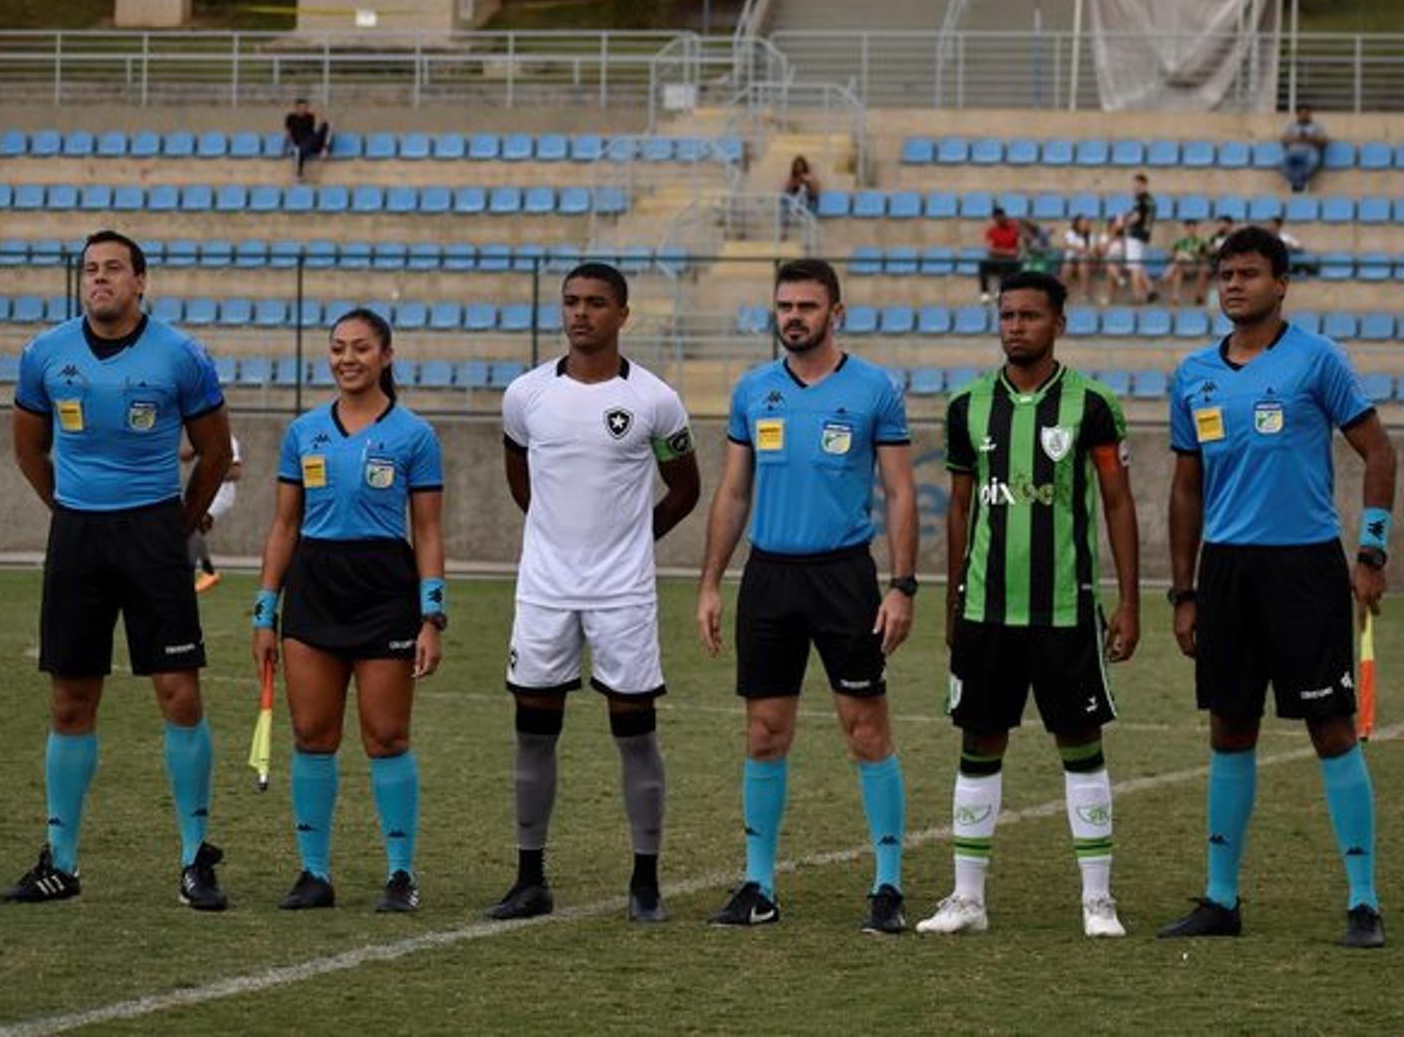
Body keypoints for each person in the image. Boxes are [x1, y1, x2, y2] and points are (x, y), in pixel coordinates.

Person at [1158, 224, 1397, 950]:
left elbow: (1378, 450)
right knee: (1230, 726)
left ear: (1281, 282)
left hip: (1304, 566)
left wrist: (1372, 550)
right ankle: (1221, 898)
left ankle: (1363, 901)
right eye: (1225, 273)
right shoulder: (1193, 373)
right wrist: (1184, 590)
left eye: (1250, 273)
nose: (1234, 283)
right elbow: (1185, 487)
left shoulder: (1316, 359)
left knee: (1330, 727)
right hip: (1226, 570)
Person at [0, 230, 236, 910]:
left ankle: (195, 858)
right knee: (71, 698)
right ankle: (61, 862)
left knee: (179, 693)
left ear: (140, 281)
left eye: (113, 269)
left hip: (154, 531)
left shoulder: (182, 355)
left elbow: (215, 453)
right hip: (78, 535)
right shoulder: (44, 353)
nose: (99, 279)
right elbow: (27, 448)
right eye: (90, 270)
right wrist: (70, 510)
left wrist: (177, 526)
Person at [915, 271, 1141, 940]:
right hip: (986, 607)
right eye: (1007, 315)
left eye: (1030, 316)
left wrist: (1129, 602)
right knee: (979, 740)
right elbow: (960, 507)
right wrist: (953, 595)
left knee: (1080, 742)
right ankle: (967, 898)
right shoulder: (967, 406)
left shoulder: (1091, 404)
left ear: (1058, 324)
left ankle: (1097, 900)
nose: (1016, 325)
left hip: (1065, 608)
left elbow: (1118, 502)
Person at [697, 258, 919, 934]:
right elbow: (733, 492)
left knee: (866, 729)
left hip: (844, 577)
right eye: (785, 305)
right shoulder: (753, 389)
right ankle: (758, 884)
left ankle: (888, 885)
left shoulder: (875, 388)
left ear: (836, 313)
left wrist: (902, 585)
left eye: (807, 306)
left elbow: (901, 491)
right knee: (765, 732)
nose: (794, 316)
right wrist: (710, 581)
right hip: (770, 576)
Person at [490, 262, 702, 924]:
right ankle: (531, 877)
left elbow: (687, 487)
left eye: (596, 303)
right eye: (572, 302)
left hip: (622, 593)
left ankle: (645, 879)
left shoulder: (656, 400)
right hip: (545, 588)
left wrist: (632, 540)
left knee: (635, 731)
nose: (581, 313)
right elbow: (522, 481)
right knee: (534, 730)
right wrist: (557, 539)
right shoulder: (525, 395)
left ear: (622, 314)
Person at [253, 309, 445, 912]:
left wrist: (431, 614)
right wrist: (265, 610)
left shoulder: (415, 435)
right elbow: (285, 526)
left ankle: (400, 875)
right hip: (314, 591)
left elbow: (430, 531)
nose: (347, 359)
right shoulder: (302, 432)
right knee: (313, 735)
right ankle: (314, 874)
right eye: (338, 348)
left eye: (361, 348)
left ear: (386, 355)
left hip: (384, 592)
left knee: (386, 737)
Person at [182, 435, 242, 593]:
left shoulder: (228, 440)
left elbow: (236, 472)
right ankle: (204, 572)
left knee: (193, 527)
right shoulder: (204, 436)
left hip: (220, 495)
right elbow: (187, 456)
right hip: (205, 493)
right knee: (192, 531)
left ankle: (206, 572)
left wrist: (212, 475)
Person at [977, 206, 1024, 302]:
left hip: (1010, 261)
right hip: (996, 258)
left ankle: (1001, 291)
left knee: (1006, 265)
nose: (999, 220)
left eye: (1000, 217)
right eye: (996, 218)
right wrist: (1006, 252)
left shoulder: (1014, 230)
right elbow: (990, 249)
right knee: (983, 264)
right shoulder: (991, 231)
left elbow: (1018, 247)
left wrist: (1005, 252)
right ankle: (984, 292)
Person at [1122, 174, 1157, 303]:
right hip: (1145, 237)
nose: (1134, 187)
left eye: (1136, 184)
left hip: (1136, 235)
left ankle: (1137, 296)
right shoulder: (1151, 200)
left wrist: (1123, 221)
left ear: (1143, 184)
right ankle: (1151, 291)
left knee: (1134, 267)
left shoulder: (1140, 199)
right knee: (1139, 266)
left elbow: (1136, 217)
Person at [1159, 219, 1209, 306]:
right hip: (1183, 266)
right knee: (1178, 265)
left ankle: (1199, 297)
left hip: (1195, 266)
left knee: (1203, 268)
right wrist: (1173, 255)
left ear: (1196, 229)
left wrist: (1194, 256)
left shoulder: (1201, 242)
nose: (1191, 230)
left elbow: (1204, 257)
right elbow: (1170, 255)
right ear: (1186, 229)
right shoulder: (1180, 242)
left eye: (1193, 227)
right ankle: (1175, 298)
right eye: (1189, 228)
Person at [1279, 106, 1328, 193]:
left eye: (1306, 114)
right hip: (1294, 150)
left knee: (1313, 161)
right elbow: (1283, 140)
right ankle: (1299, 183)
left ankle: (1298, 184)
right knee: (1283, 163)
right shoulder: (1291, 126)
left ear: (1310, 115)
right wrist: (1297, 139)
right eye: (1302, 114)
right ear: (1297, 115)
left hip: (1310, 150)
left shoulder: (1317, 126)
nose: (1304, 116)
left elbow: (1324, 141)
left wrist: (1311, 139)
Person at [285, 98, 331, 180]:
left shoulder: (309, 116)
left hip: (312, 141)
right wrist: (290, 144)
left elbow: (322, 120)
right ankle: (299, 174)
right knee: (300, 150)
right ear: (296, 108)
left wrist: (315, 112)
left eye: (305, 107)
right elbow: (288, 133)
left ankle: (324, 149)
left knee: (326, 125)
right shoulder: (291, 118)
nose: (303, 110)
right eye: (301, 108)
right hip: (301, 143)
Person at [1059, 216, 1097, 303]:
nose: (1085, 225)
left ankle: (1085, 295)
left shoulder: (1091, 236)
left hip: (1084, 260)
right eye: (1083, 223)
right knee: (1067, 267)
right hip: (1070, 259)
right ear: (1077, 224)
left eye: (1087, 223)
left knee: (1082, 266)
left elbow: (1092, 252)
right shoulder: (1070, 234)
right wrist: (1077, 248)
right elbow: (1065, 246)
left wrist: (1086, 251)